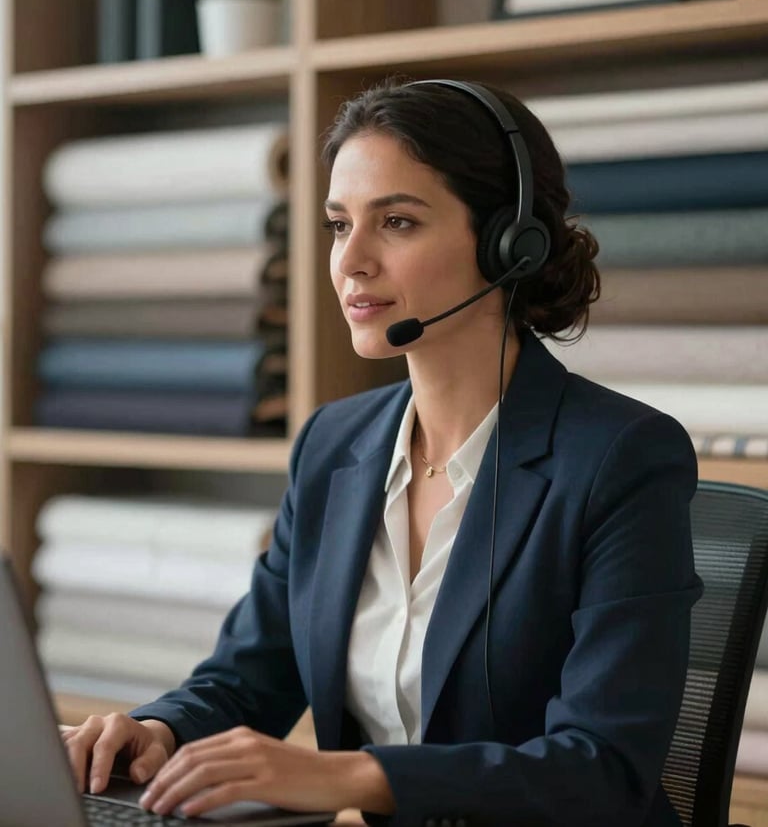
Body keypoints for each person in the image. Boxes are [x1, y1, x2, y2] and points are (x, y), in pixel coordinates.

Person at [62, 78, 702, 827]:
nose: (352, 261)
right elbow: (249, 677)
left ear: (509, 243)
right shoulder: (334, 446)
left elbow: (601, 765)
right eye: (339, 225)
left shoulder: (622, 458)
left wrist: (353, 777)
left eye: (396, 222)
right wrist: (159, 730)